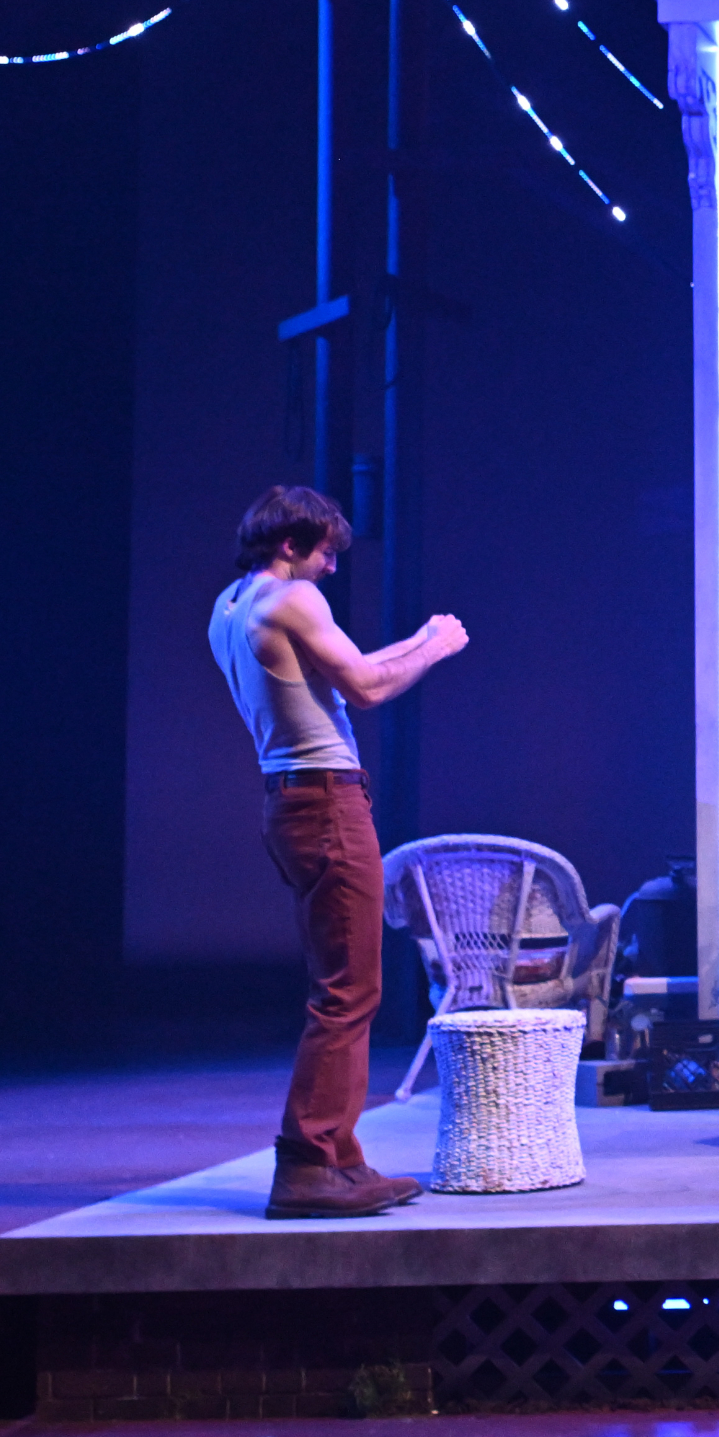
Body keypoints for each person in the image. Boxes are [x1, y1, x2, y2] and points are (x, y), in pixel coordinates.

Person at [205, 486, 469, 1219]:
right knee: (348, 992)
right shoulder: (292, 599)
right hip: (326, 802)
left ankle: (340, 1159)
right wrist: (439, 649)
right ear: (290, 544)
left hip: (291, 801)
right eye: (324, 552)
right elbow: (366, 687)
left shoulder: (232, 604)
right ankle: (307, 1163)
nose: (329, 567)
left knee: (346, 987)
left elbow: (345, 672)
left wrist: (418, 640)